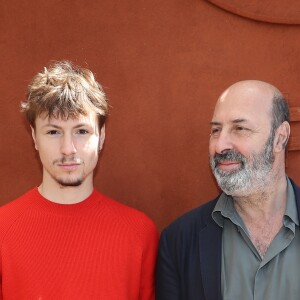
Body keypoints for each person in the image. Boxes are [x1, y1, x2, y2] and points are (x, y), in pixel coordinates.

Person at [0, 61, 158, 299]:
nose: (67, 149)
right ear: (34, 136)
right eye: (53, 132)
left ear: (101, 136)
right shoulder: (3, 229)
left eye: (81, 131)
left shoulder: (139, 232)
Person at [156, 80, 300, 300]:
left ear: (280, 138)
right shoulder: (178, 242)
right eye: (215, 130)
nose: (220, 145)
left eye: (240, 128)